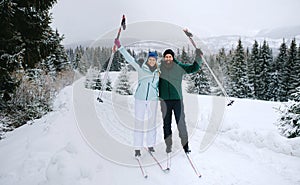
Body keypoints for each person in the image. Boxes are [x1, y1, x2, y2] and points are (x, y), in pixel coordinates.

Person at [114, 38, 160, 157]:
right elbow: (130, 59)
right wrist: (120, 47)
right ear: (147, 59)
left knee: (151, 123)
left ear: (156, 61)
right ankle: (137, 148)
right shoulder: (140, 68)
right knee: (139, 122)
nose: (151, 61)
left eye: (153, 59)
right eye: (150, 59)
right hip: (140, 98)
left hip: (153, 100)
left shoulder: (159, 72)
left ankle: (150, 145)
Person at [159, 48, 203, 153]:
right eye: (166, 57)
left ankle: (185, 145)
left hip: (177, 100)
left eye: (170, 56)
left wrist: (198, 57)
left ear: (173, 57)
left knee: (181, 123)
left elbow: (194, 68)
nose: (168, 58)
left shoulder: (179, 67)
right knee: (166, 124)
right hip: (164, 101)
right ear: (164, 58)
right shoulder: (159, 68)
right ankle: (168, 145)